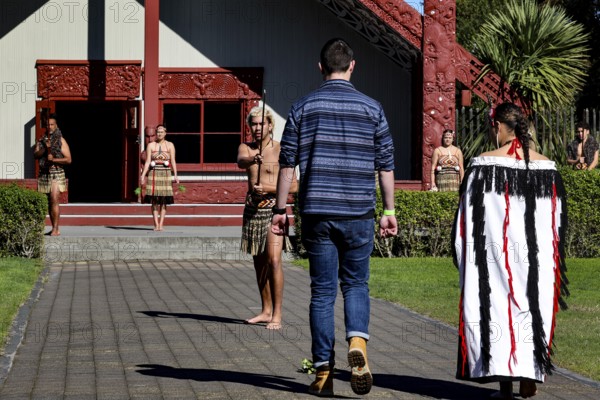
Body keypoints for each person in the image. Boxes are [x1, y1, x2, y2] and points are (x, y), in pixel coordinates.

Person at [271, 38, 397, 397]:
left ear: (320, 67)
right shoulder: (373, 108)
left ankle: (324, 372)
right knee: (356, 285)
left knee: (322, 292)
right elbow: (386, 165)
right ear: (353, 66)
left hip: (317, 212)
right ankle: (358, 341)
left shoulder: (302, 107)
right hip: (358, 211)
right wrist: (388, 211)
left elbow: (287, 164)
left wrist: (281, 211)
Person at [452, 103, 569, 399]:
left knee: (496, 311)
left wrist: (462, 255)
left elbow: (465, 220)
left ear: (497, 127)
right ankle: (530, 373)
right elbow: (556, 223)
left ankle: (505, 384)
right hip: (536, 258)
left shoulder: (482, 165)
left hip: (494, 257)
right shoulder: (548, 167)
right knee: (531, 312)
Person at [238, 105, 297, 330]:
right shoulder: (246, 148)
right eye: (253, 124)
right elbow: (241, 161)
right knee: (259, 263)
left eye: (261, 123)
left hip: (274, 212)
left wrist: (270, 189)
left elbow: (294, 185)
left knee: (274, 260)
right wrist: (255, 159)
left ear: (270, 125)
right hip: (252, 211)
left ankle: (277, 315)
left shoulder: (282, 150)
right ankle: (265, 309)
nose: (257, 127)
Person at [34, 114, 72, 236]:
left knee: (54, 199)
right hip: (44, 173)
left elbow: (68, 160)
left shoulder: (61, 140)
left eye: (52, 124)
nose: (49, 127)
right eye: (48, 125)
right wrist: (45, 149)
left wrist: (54, 160)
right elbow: (36, 155)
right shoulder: (41, 140)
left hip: (56, 173)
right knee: (47, 202)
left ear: (56, 126)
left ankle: (56, 229)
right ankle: (51, 227)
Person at [140, 125, 179, 231]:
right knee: (154, 201)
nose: (159, 134)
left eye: (161, 132)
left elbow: (173, 161)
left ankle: (161, 224)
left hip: (166, 174)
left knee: (164, 200)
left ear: (165, 133)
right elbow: (148, 161)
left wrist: (175, 175)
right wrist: (143, 175)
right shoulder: (151, 145)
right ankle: (156, 224)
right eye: (158, 132)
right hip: (154, 173)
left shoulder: (170, 145)